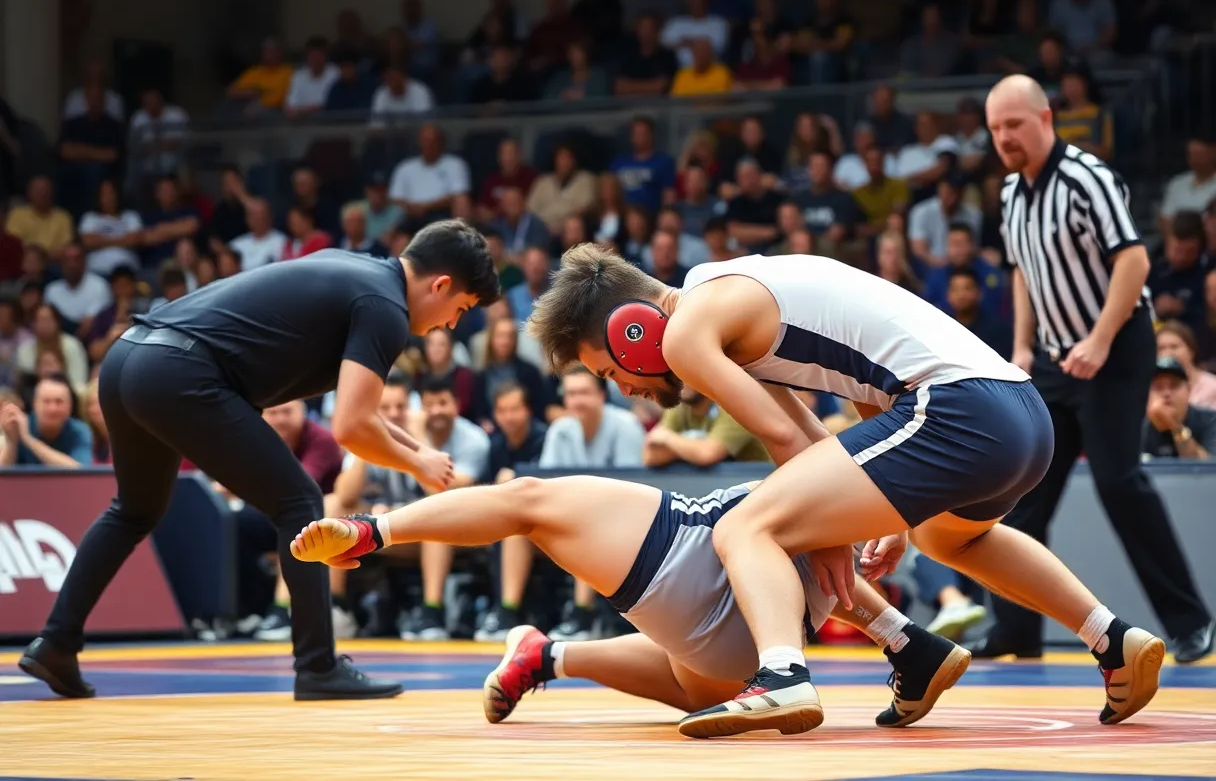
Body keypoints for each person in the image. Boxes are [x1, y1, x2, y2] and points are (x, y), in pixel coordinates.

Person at [525, 239, 1164, 738]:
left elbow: (784, 439)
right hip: (1017, 414)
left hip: (955, 410)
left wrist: (828, 533)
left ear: (630, 330)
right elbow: (832, 413)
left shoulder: (691, 329)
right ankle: (1111, 638)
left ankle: (783, 674)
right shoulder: (726, 293)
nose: (626, 389)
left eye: (610, 371)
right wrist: (878, 511)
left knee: (745, 525)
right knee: (952, 540)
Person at [17, 220, 500, 702]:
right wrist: (416, 466)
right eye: (459, 309)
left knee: (135, 510)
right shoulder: (386, 309)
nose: (451, 324)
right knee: (301, 501)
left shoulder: (360, 274)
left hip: (129, 359)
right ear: (440, 285)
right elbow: (350, 428)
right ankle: (318, 666)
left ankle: (57, 642)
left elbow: (363, 412)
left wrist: (419, 451)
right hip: (179, 373)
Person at [289, 475, 971, 729]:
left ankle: (372, 531)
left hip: (705, 558)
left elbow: (802, 441)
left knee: (528, 499)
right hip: (753, 633)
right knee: (694, 676)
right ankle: (549, 655)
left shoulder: (717, 314)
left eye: (614, 373)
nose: (625, 387)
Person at [983, 74, 1214, 665]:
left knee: (1118, 481)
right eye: (994, 128)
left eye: (1014, 124)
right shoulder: (1011, 193)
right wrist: (1022, 347)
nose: (1004, 137)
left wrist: (1100, 338)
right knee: (1022, 496)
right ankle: (1015, 629)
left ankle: (1190, 622)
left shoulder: (1086, 177)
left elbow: (1134, 260)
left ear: (1045, 118)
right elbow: (1023, 271)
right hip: (1057, 358)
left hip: (1115, 348)